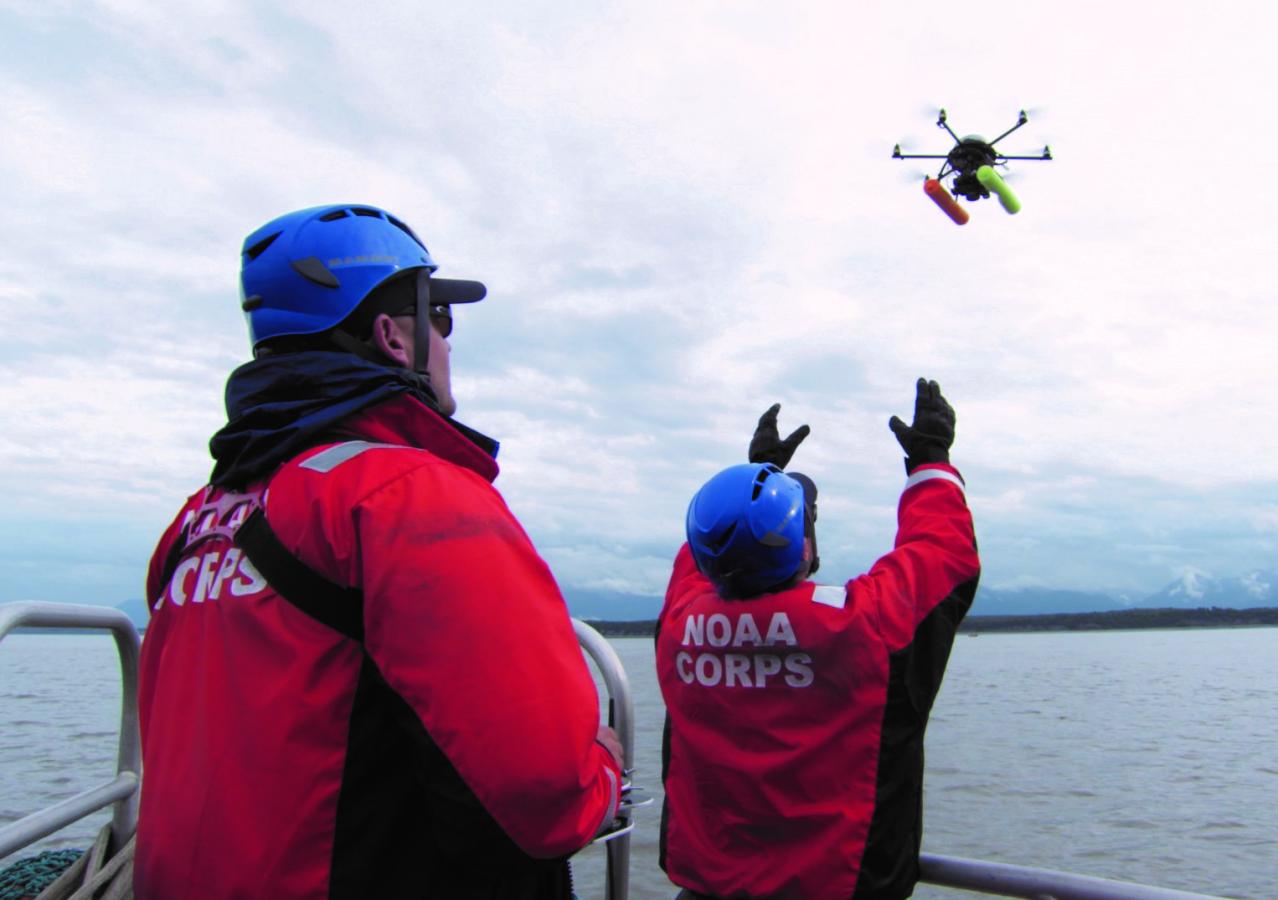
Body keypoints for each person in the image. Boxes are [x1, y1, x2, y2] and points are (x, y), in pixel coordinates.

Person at [134, 204, 623, 899]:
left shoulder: (196, 522)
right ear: (394, 337)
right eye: (441, 319)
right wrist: (603, 770)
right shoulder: (409, 496)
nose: (449, 342)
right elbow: (546, 789)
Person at [656, 381, 980, 900]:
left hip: (706, 889)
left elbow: (705, 552)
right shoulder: (862, 627)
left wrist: (755, 476)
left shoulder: (680, 625)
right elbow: (943, 554)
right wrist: (931, 461)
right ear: (803, 544)